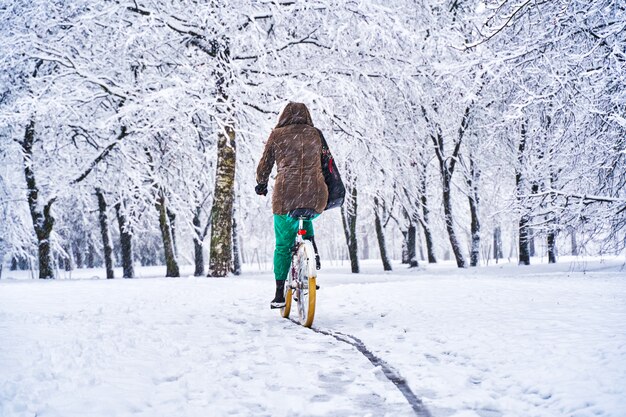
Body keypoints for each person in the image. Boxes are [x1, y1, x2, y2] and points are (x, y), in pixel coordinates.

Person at [255, 102, 328, 309]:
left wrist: (261, 184)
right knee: (306, 213)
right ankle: (311, 247)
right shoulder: (316, 134)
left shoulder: (277, 135)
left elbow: (265, 165)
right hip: (316, 195)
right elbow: (326, 163)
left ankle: (279, 293)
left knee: (283, 244)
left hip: (286, 197)